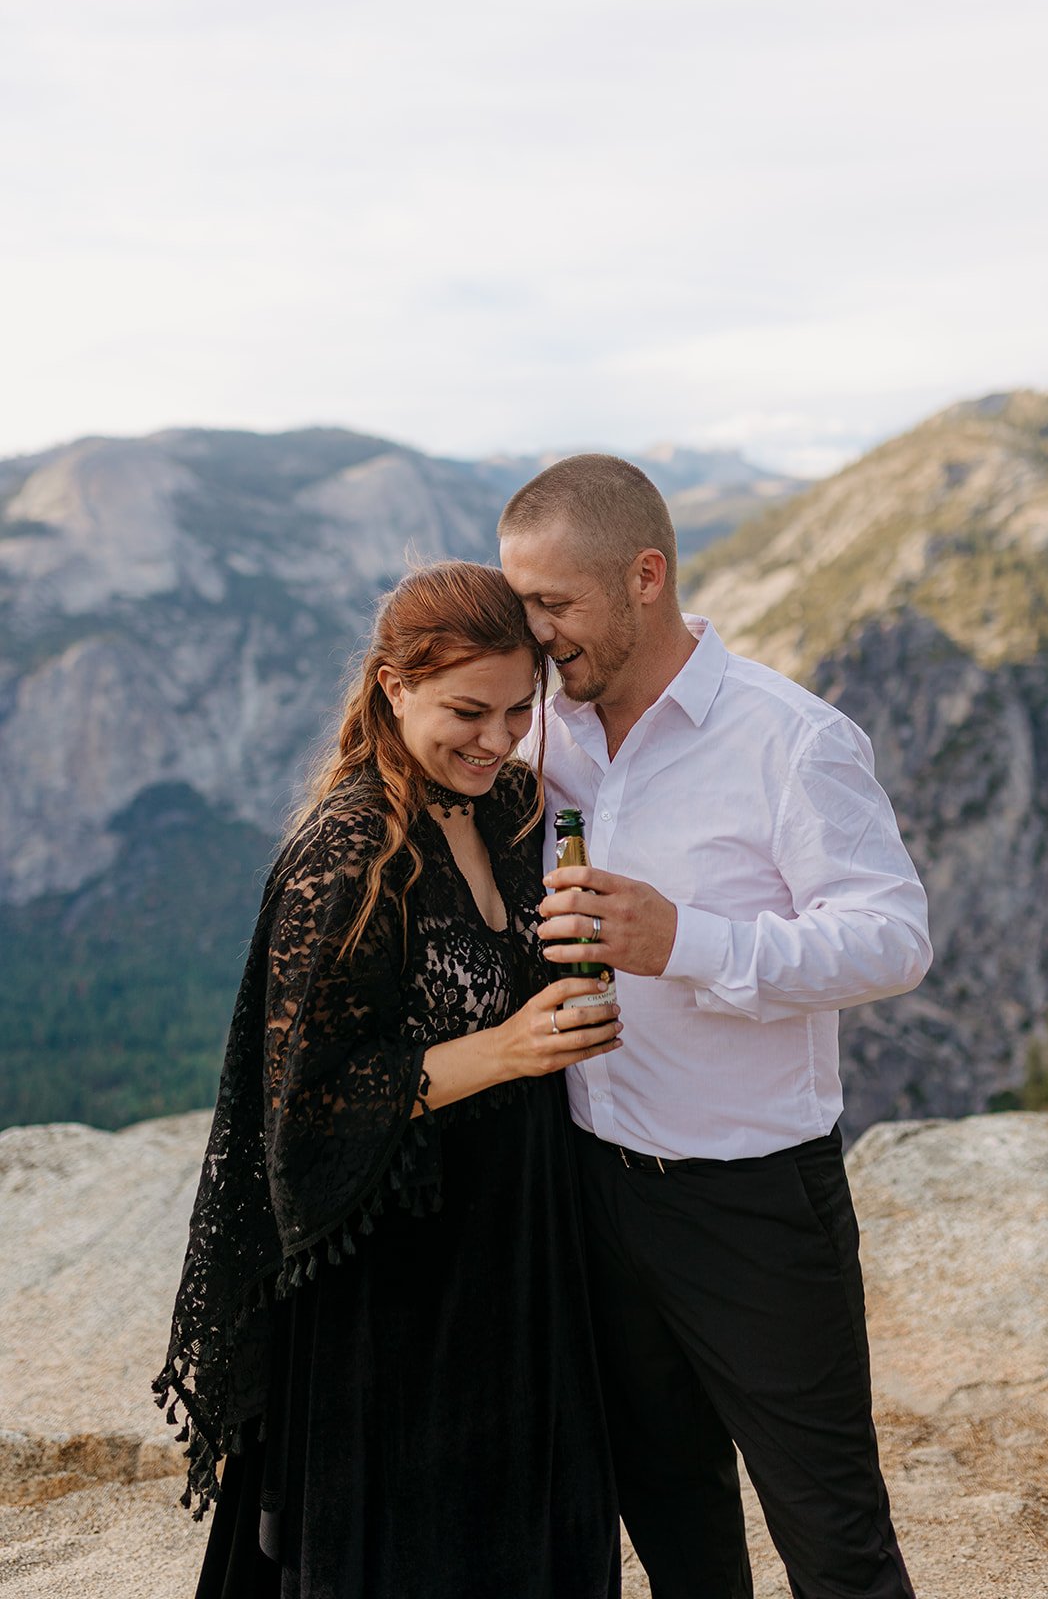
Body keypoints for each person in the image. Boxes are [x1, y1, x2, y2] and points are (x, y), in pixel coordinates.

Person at [498, 456, 933, 1599]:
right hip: (587, 1186)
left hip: (752, 1201)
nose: (533, 632)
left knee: (831, 1534)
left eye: (553, 603)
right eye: (520, 601)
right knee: (671, 1518)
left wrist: (684, 940)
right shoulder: (541, 731)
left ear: (644, 576)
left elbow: (891, 938)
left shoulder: (788, 737)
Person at [154, 561, 623, 1599]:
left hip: (520, 1237)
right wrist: (508, 1049)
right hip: (400, 1273)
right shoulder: (348, 852)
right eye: (466, 711)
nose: (497, 739)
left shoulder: (511, 807)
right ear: (392, 687)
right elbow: (306, 1110)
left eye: (518, 710)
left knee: (532, 1522)